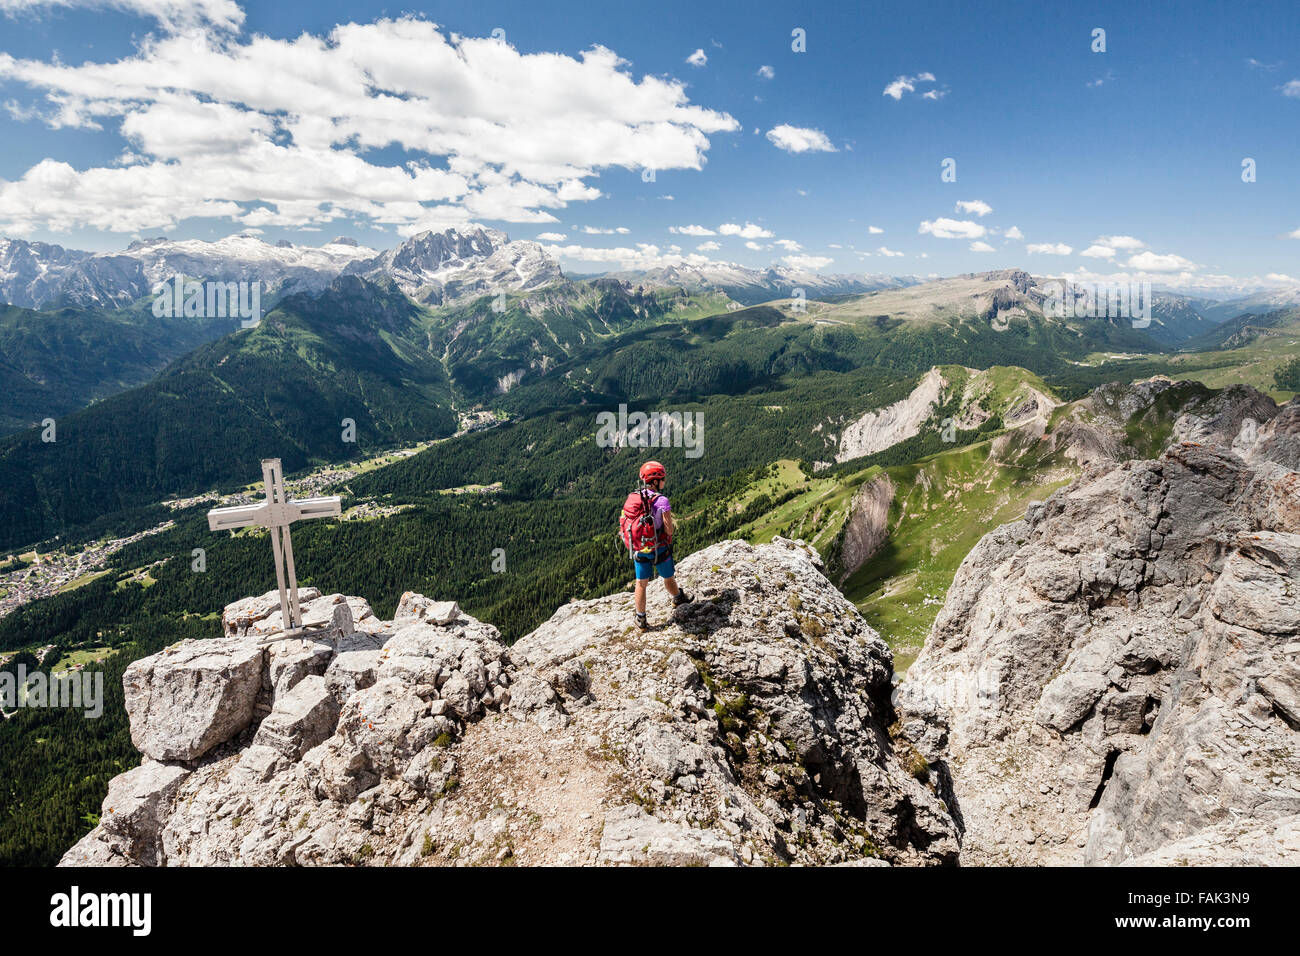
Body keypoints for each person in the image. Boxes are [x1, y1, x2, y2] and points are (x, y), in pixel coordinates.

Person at [619, 460, 692, 629]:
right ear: (656, 481)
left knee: (641, 583)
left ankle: (641, 618)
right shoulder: (662, 501)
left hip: (640, 549)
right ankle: (678, 598)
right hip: (659, 548)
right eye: (663, 478)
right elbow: (669, 529)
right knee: (668, 577)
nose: (665, 481)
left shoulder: (634, 497)